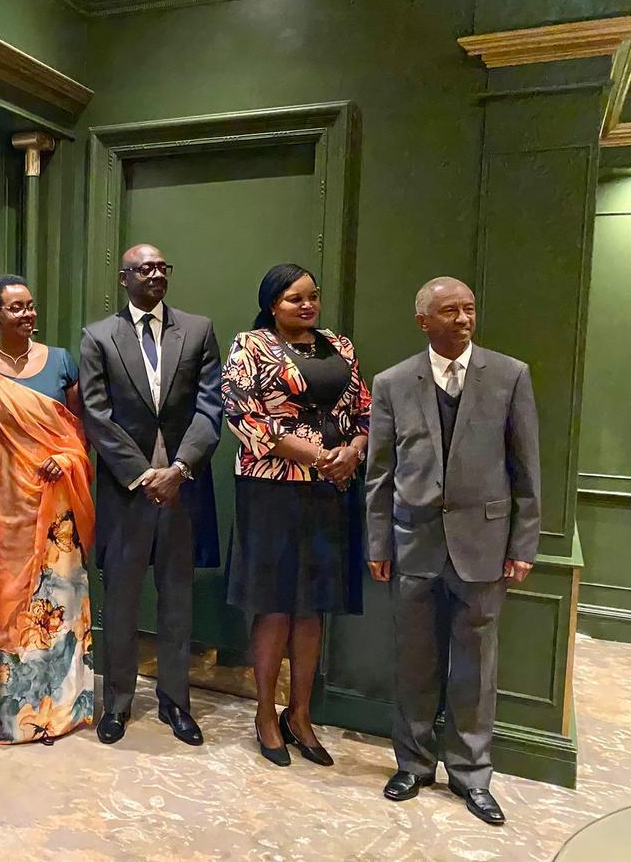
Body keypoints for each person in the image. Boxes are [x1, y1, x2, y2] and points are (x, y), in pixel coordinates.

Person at [366, 276, 540, 826]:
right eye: (449, 311)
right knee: (414, 661)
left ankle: (471, 774)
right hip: (414, 544)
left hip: (484, 546)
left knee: (476, 666)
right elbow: (379, 473)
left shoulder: (510, 375)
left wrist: (524, 544)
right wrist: (379, 542)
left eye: (469, 309)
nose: (463, 319)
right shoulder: (393, 383)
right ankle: (413, 764)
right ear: (423, 321)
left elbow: (526, 469)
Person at [222, 263, 371, 768]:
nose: (307, 305)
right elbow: (245, 420)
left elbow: (365, 412)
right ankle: (266, 714)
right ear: (272, 305)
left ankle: (300, 714)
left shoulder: (340, 347)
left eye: (312, 296)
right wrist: (320, 457)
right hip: (271, 491)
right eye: (294, 299)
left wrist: (352, 451)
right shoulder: (250, 346)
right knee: (274, 605)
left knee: (313, 608)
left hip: (332, 490)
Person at [80, 243, 223, 747]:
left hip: (183, 489)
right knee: (120, 600)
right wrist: (144, 475)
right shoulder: (99, 336)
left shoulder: (198, 331)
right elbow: (96, 415)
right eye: (145, 268)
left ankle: (175, 702)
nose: (157, 274)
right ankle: (118, 702)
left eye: (163, 267)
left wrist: (178, 470)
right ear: (125, 278)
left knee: (177, 599)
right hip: (127, 492)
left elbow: (210, 408)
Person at [0, 274, 95, 745]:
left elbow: (79, 434)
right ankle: (0, 716)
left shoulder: (61, 362)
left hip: (56, 510)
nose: (28, 314)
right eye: (16, 307)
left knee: (56, 605)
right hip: (1, 509)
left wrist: (68, 458)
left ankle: (57, 713)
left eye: (30, 305)